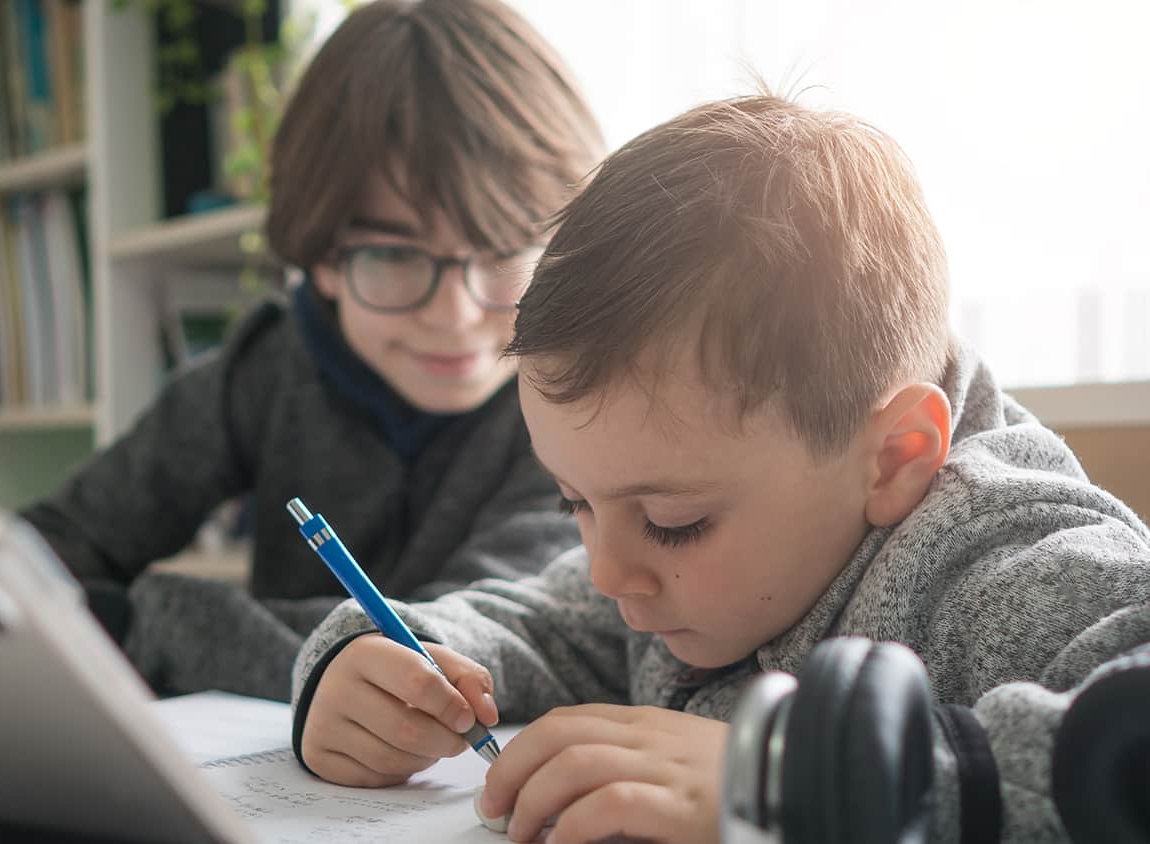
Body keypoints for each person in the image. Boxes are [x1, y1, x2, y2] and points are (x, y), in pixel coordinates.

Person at [290, 93, 1150, 844]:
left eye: (674, 522)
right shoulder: (662, 569)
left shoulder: (1012, 566)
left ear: (893, 457)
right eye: (573, 505)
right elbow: (534, 623)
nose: (608, 570)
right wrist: (379, 666)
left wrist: (804, 781)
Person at [19, 0, 605, 701]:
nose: (454, 316)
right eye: (393, 254)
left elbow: (440, 659)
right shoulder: (272, 363)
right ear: (321, 256)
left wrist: (137, 623)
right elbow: (50, 548)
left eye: (506, 252)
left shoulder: (579, 405)